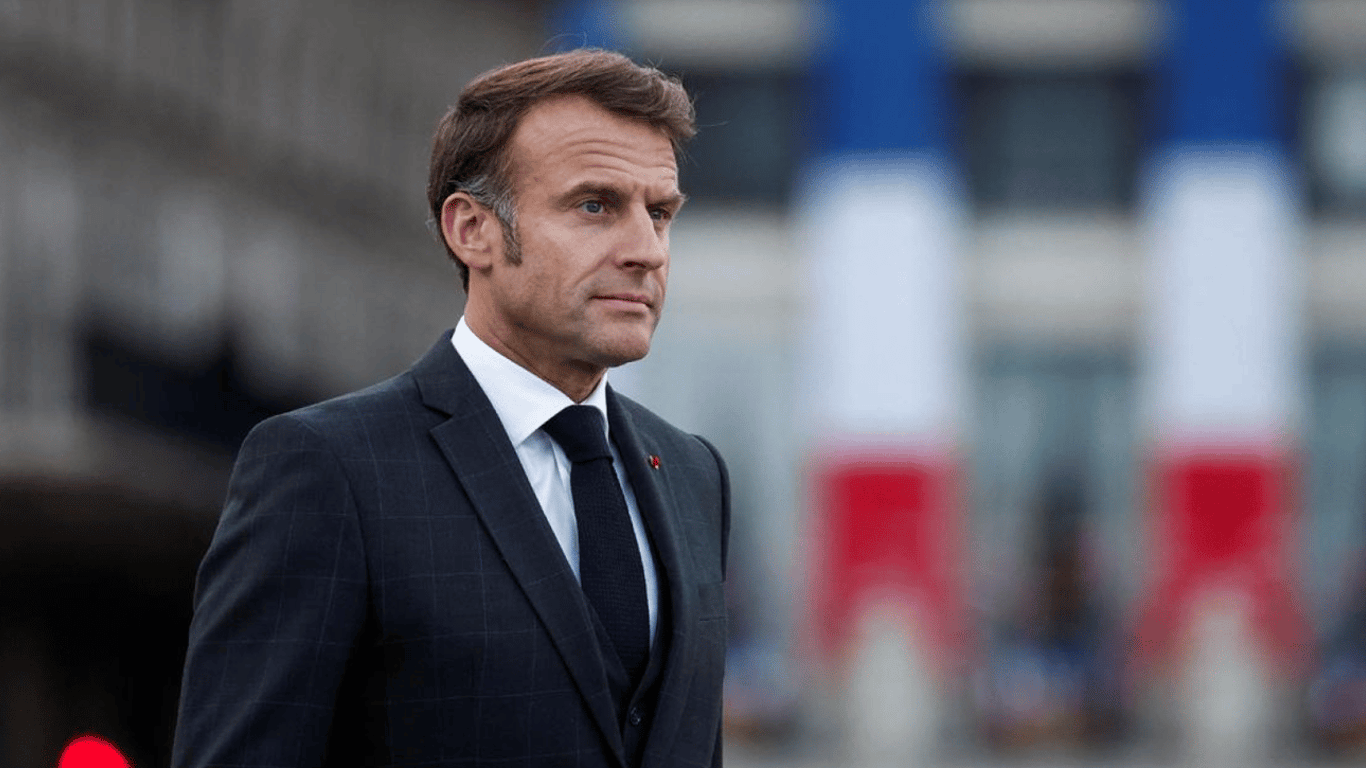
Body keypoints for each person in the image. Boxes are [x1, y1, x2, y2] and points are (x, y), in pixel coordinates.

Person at [172, 49, 730, 768]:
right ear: (472, 230)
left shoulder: (693, 475)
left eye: (659, 213)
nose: (646, 250)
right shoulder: (328, 469)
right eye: (595, 206)